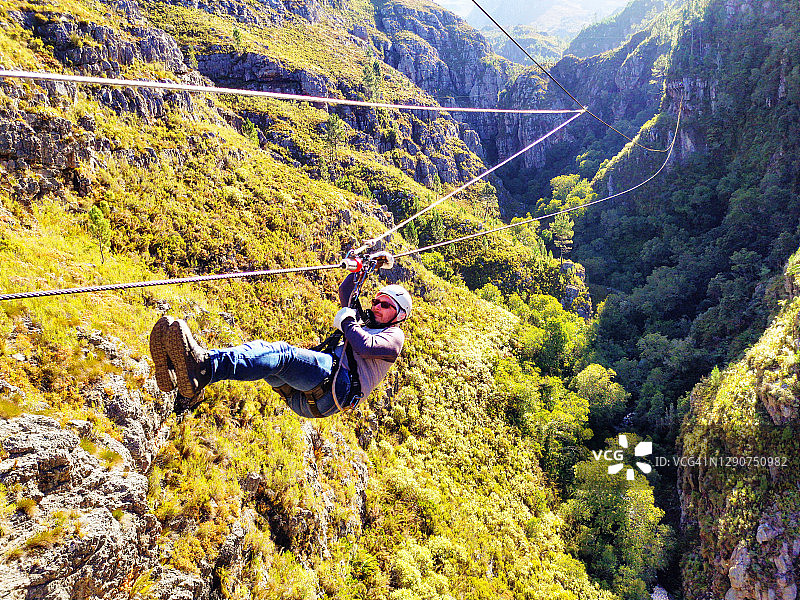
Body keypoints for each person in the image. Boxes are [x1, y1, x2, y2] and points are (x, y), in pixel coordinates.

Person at [149, 273, 411, 418]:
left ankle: (204, 367)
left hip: (334, 389)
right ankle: (181, 375)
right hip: (311, 396)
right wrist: (359, 269)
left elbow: (363, 346)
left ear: (399, 315)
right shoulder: (364, 321)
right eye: (376, 301)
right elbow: (347, 295)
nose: (376, 306)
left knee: (281, 354)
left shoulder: (394, 336)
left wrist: (347, 323)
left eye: (385, 305)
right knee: (269, 359)